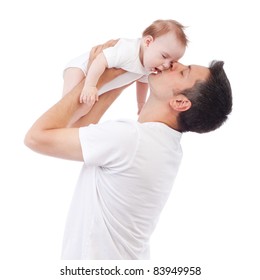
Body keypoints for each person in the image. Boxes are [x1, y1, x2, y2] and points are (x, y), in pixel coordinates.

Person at [24, 41, 232, 259]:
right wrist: (121, 75)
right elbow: (77, 131)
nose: (174, 63)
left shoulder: (132, 139)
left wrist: (100, 79)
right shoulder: (164, 145)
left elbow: (36, 137)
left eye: (183, 72)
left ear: (180, 102)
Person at [63, 19, 188, 118]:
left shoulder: (149, 66)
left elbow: (142, 83)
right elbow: (100, 60)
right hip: (80, 68)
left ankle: (69, 126)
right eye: (164, 56)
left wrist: (141, 103)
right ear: (148, 42)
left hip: (96, 83)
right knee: (69, 102)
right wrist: (90, 85)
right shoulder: (128, 50)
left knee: (83, 109)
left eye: (172, 62)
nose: (166, 65)